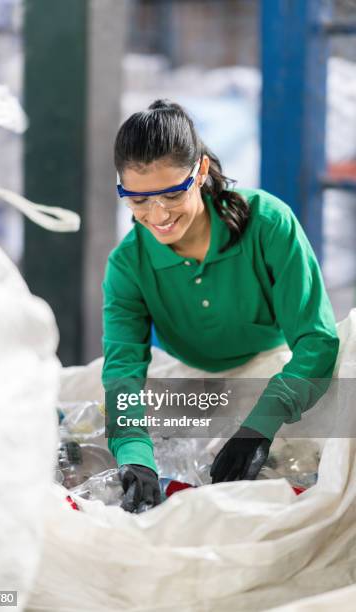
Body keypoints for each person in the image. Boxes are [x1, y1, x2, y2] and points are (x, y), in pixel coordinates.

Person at [102, 99, 339, 513]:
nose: (157, 215)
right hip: (191, 384)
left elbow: (317, 341)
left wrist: (260, 427)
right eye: (137, 200)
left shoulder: (267, 223)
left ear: (202, 172)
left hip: (273, 371)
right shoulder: (128, 264)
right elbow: (123, 373)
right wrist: (134, 455)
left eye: (172, 193)